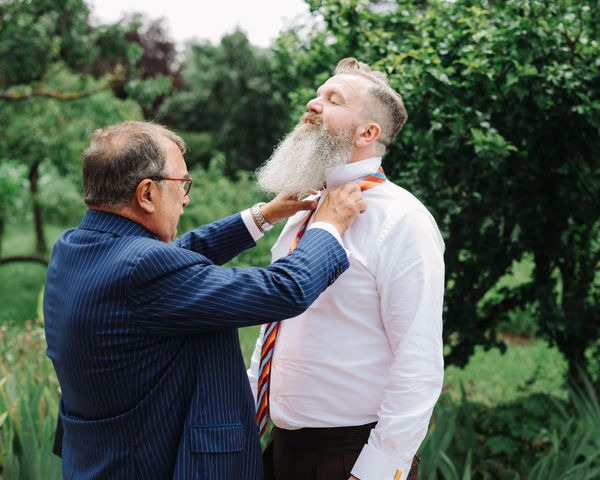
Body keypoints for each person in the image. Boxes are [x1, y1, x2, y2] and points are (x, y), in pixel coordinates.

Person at [43, 120, 366, 479]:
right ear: (146, 193)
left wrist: (263, 215)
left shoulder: (74, 247)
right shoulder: (144, 270)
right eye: (182, 183)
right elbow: (282, 289)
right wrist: (329, 225)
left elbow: (171, 258)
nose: (186, 198)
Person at [248, 58, 445, 480]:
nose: (313, 104)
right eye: (318, 94)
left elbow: (419, 359)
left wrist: (376, 469)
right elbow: (274, 330)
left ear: (367, 132)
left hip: (350, 457)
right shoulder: (304, 213)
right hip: (279, 450)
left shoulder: (402, 220)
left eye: (333, 99)